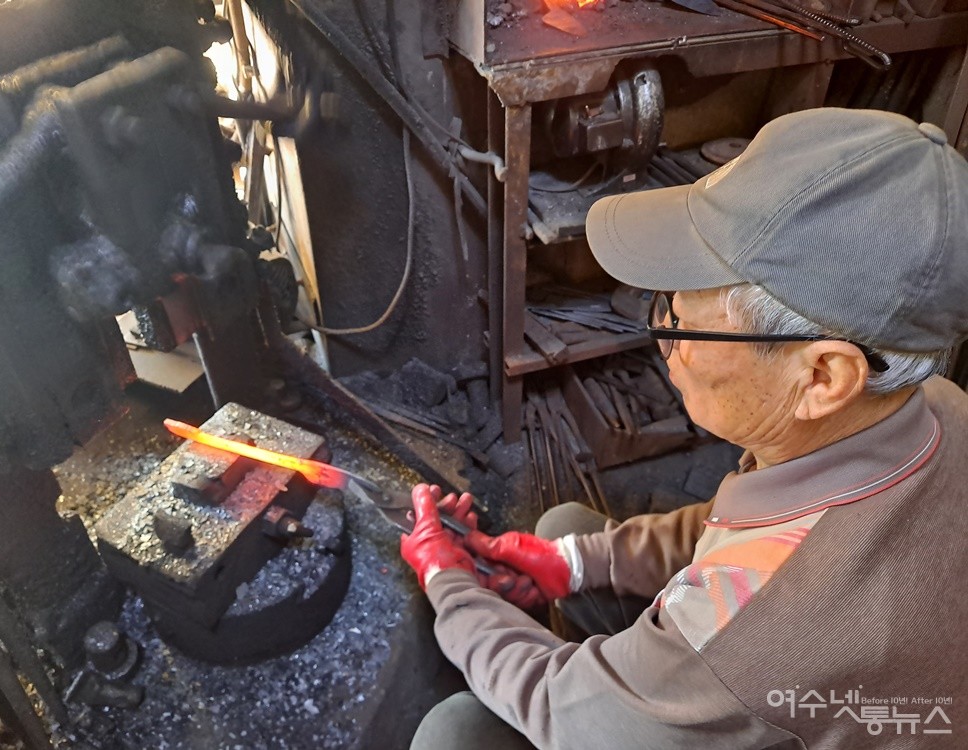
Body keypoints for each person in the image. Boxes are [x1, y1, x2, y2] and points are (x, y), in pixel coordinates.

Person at [400, 108, 968, 749]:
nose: (663, 342)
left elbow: (558, 707)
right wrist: (577, 563)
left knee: (456, 733)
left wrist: (448, 583)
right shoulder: (939, 407)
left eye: (679, 320)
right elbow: (757, 532)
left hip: (776, 685)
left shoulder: (756, 639)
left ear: (823, 377)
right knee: (566, 534)